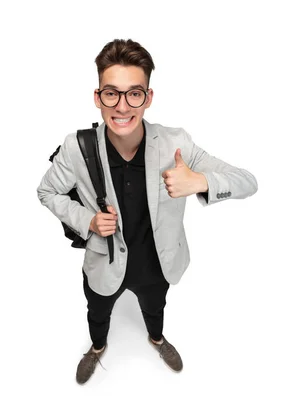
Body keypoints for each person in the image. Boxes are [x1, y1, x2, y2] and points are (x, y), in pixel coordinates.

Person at [37, 39, 258, 384]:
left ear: (148, 98)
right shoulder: (76, 148)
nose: (122, 106)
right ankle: (96, 348)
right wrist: (88, 221)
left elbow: (247, 181)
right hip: (103, 260)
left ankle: (156, 339)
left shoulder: (176, 143)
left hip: (158, 263)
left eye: (134, 94)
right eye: (111, 93)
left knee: (155, 309)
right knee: (97, 313)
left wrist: (199, 181)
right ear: (97, 98)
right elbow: (47, 191)